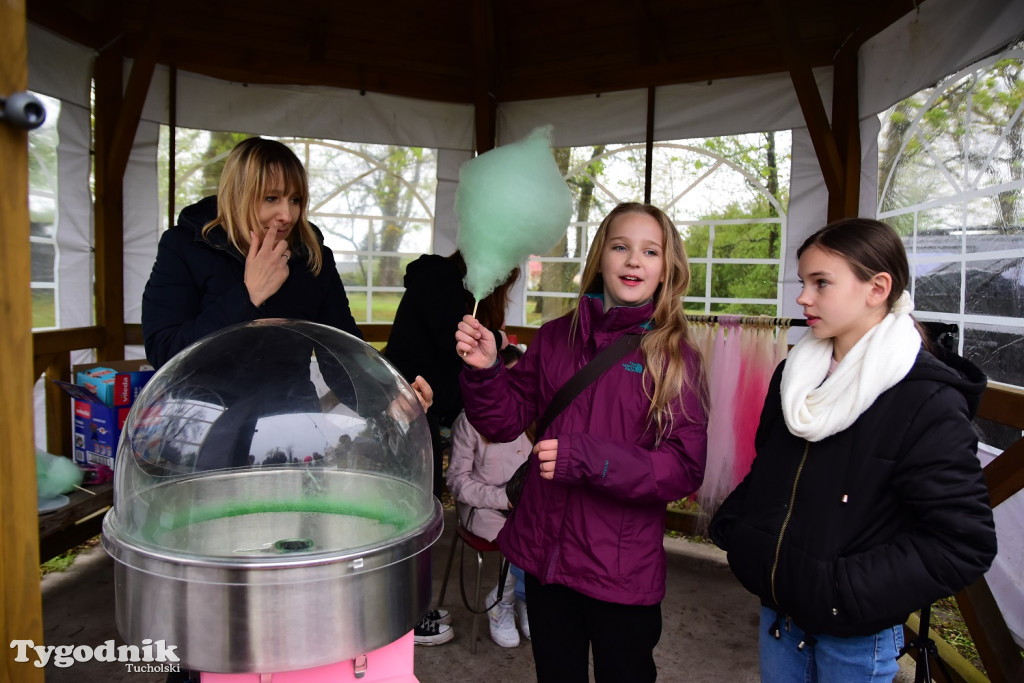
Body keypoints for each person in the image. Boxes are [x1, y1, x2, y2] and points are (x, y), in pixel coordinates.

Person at [708, 218, 997, 683]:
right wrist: (741, 535)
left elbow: (962, 542)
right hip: (779, 617)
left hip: (853, 635)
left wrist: (839, 590)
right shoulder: (793, 376)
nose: (803, 297)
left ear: (877, 287)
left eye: (821, 282)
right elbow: (771, 470)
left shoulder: (924, 399)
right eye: (804, 282)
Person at [455, 202, 709, 682]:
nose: (634, 261)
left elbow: (683, 467)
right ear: (600, 257)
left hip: (620, 572)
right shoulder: (554, 338)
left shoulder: (674, 358)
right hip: (547, 557)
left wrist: (590, 460)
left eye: (649, 251)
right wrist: (487, 370)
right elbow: (504, 421)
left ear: (666, 268)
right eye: (621, 246)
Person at [384, 251, 519, 499]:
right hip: (407, 397)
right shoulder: (441, 277)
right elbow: (453, 341)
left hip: (425, 399)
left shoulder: (444, 281)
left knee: (422, 488)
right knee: (418, 491)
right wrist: (499, 339)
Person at [446, 345, 533, 648]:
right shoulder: (469, 422)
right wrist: (503, 499)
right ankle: (502, 601)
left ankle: (524, 599)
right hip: (483, 508)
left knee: (550, 527)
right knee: (519, 536)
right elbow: (455, 481)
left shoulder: (533, 416)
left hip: (524, 504)